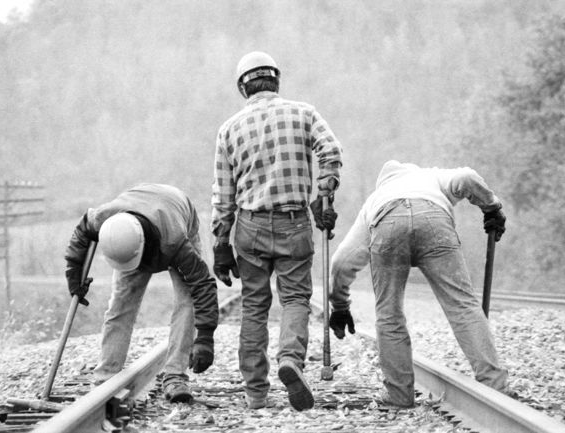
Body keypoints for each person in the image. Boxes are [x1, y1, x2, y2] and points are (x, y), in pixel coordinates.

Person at [211, 51, 342, 411]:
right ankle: (291, 361)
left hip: (249, 226)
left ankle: (256, 392)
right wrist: (324, 192)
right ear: (276, 80)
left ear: (243, 87)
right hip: (293, 222)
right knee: (296, 299)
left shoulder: (230, 129)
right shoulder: (304, 113)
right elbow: (330, 149)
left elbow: (223, 195)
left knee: (254, 306)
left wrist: (221, 242)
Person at [328, 160, 508, 408]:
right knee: (463, 306)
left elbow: (341, 263)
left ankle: (399, 395)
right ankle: (495, 388)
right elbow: (467, 176)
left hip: (386, 221)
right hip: (433, 219)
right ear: (412, 171)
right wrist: (491, 207)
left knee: (389, 314)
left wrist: (339, 305)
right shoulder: (431, 178)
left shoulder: (375, 198)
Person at [64, 183, 219, 403]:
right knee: (120, 304)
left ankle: (175, 376)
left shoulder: (175, 242)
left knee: (187, 302)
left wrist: (205, 337)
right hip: (136, 219)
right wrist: (74, 275)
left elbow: (202, 285)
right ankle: (106, 376)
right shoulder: (103, 219)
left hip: (177, 216)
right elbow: (81, 234)